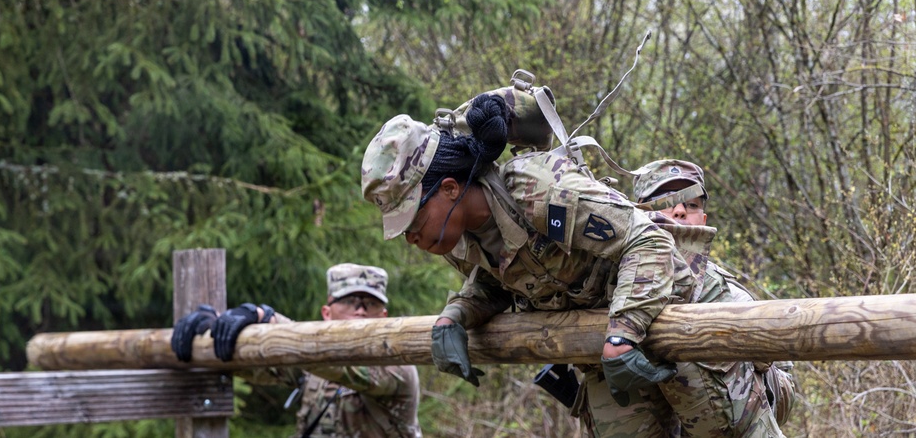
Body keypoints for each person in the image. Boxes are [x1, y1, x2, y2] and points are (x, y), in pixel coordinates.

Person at [360, 94, 783, 437]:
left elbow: (650, 241)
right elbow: (504, 280)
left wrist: (623, 334)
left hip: (678, 303)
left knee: (720, 428)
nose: (410, 236)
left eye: (413, 218)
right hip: (609, 344)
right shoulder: (454, 239)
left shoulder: (537, 188)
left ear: (450, 189)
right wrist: (455, 316)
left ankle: (769, 383)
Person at [633, 159, 797, 428]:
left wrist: (753, 371)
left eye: (691, 204)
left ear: (703, 220)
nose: (679, 211)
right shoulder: (608, 279)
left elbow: (784, 398)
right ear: (638, 212)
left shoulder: (731, 295)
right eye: (665, 200)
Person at [171, 263, 423, 438]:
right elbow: (249, 363)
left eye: (370, 303)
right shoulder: (313, 367)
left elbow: (336, 362)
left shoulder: (396, 365)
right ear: (327, 313)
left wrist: (266, 317)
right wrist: (211, 329)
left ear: (384, 315)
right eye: (349, 301)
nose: (360, 311)